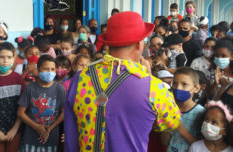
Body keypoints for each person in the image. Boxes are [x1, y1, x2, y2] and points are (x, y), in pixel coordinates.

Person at [64, 11, 181, 151]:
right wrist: (150, 76)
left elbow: (70, 134)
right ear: (140, 45)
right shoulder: (153, 87)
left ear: (109, 44)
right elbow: (172, 122)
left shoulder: (80, 77)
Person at [17, 55, 66, 152]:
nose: (50, 72)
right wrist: (37, 127)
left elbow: (64, 113)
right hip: (30, 137)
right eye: (46, 69)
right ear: (38, 70)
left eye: (52, 69)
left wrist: (49, 129)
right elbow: (20, 112)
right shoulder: (30, 88)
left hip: (51, 138)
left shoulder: (60, 89)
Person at [162, 67, 204, 152]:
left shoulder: (201, 112)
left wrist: (181, 129)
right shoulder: (170, 109)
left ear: (196, 88)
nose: (178, 88)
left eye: (184, 84)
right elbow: (165, 142)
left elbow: (202, 147)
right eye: (174, 84)